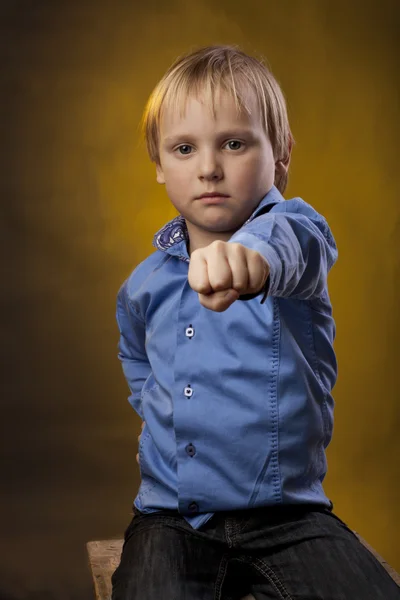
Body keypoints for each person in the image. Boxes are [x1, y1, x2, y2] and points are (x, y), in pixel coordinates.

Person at [111, 45, 399, 600]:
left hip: (288, 517)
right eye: (184, 148)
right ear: (158, 163)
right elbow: (136, 355)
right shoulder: (143, 284)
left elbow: (293, 248)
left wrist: (251, 261)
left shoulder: (296, 234)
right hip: (172, 516)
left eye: (235, 143)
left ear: (282, 153)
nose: (209, 167)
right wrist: (154, 406)